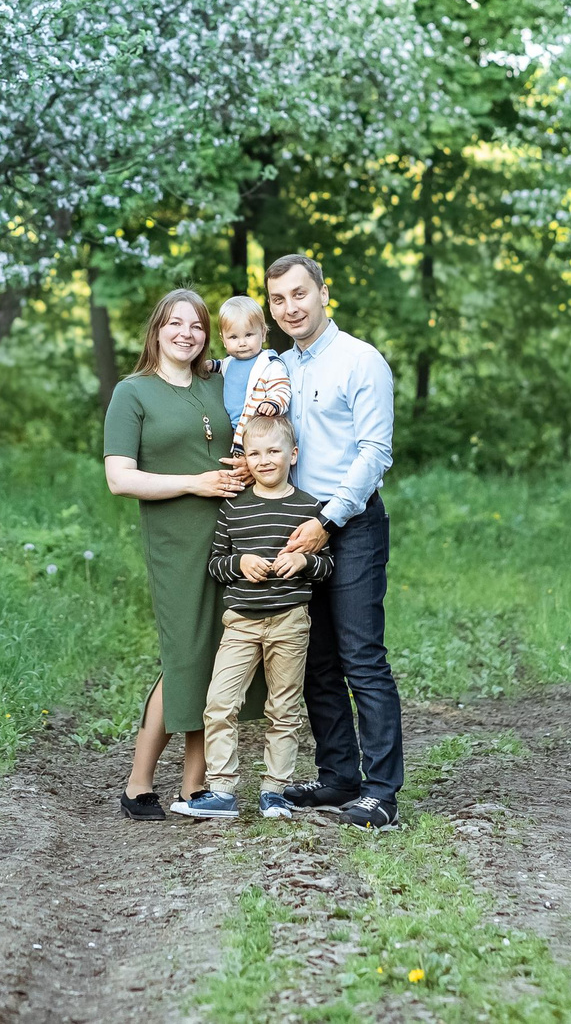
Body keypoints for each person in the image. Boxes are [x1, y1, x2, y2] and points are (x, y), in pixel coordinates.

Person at [264, 252, 403, 828]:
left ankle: (381, 792)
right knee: (315, 657)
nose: (290, 307)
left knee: (360, 656)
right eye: (278, 299)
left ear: (324, 293)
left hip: (349, 524)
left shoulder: (360, 361)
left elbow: (376, 453)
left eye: (300, 294)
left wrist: (329, 521)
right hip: (296, 525)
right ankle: (339, 774)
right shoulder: (278, 367)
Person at [101, 287, 244, 820]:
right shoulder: (132, 392)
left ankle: (195, 788)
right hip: (176, 538)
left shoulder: (216, 382)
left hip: (233, 531)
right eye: (175, 323)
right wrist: (196, 484)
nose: (187, 333)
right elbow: (120, 479)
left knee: (222, 653)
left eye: (197, 325)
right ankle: (139, 783)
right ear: (157, 330)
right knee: (185, 653)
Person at [175, 414, 332, 821]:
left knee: (284, 708)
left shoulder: (309, 508)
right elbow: (215, 564)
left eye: (274, 451)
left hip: (290, 621)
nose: (264, 460)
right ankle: (222, 790)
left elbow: (327, 565)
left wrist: (303, 559)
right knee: (219, 703)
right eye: (254, 453)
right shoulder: (233, 509)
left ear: (292, 455)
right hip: (241, 622)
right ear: (245, 458)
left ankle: (274, 791)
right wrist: (239, 561)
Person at [216, 294, 292, 457]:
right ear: (224, 340)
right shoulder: (229, 363)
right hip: (234, 430)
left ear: (263, 333)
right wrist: (211, 365)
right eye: (234, 337)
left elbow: (282, 388)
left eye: (249, 335)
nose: (242, 342)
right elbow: (221, 365)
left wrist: (274, 403)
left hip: (259, 431)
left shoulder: (269, 363)